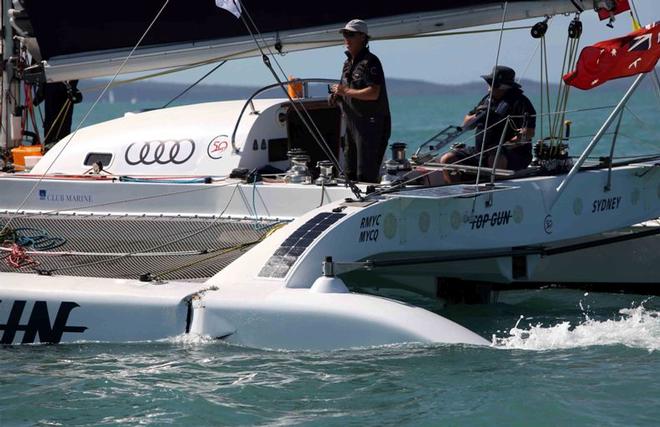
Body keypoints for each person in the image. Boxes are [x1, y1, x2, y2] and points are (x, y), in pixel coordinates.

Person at [440, 65, 536, 183]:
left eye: (492, 85)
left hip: (513, 154)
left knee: (494, 156)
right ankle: (454, 194)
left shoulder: (520, 102)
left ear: (503, 86)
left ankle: (494, 192)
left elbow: (528, 133)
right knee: (447, 159)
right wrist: (478, 115)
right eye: (489, 84)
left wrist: (507, 144)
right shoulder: (487, 100)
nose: (489, 89)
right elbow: (466, 124)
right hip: (480, 151)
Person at [330, 19, 391, 183]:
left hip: (370, 125)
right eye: (344, 34)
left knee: (366, 173)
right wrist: (337, 96)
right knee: (349, 171)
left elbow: (374, 93)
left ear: (363, 37)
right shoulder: (347, 63)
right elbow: (345, 89)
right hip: (352, 124)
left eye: (350, 35)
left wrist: (346, 91)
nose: (346, 39)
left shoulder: (371, 62)